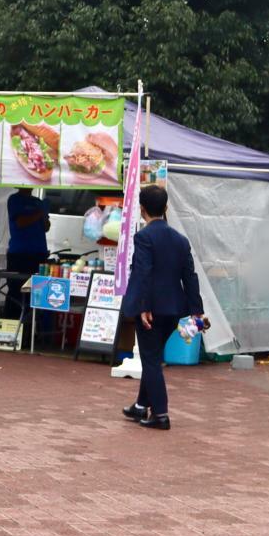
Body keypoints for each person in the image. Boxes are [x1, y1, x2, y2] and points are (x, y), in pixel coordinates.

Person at [119, 185, 206, 432]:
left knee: (151, 361)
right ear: (166, 208)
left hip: (150, 310)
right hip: (174, 309)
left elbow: (143, 272)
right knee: (153, 355)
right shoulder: (180, 240)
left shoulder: (144, 237)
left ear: (142, 209)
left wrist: (144, 305)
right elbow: (190, 276)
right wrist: (196, 310)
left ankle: (160, 414)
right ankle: (140, 405)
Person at [2, 188, 51, 319]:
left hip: (39, 253)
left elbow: (46, 227)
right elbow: (20, 222)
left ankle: (31, 331)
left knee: (37, 293)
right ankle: (10, 326)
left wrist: (44, 214)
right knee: (16, 292)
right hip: (19, 254)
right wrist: (39, 213)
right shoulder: (14, 199)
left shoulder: (37, 201)